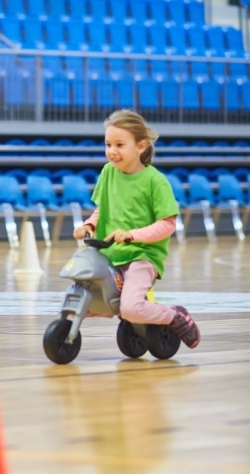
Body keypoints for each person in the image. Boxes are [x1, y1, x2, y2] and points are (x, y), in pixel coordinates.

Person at [72, 109, 200, 348]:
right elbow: (103, 208)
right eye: (108, 144)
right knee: (82, 299)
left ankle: (175, 316)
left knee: (131, 308)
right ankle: (125, 321)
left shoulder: (155, 181)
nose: (112, 151)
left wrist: (133, 236)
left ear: (141, 146)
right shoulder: (108, 172)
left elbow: (167, 224)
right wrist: (89, 224)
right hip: (110, 253)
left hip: (142, 255)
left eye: (120, 144)